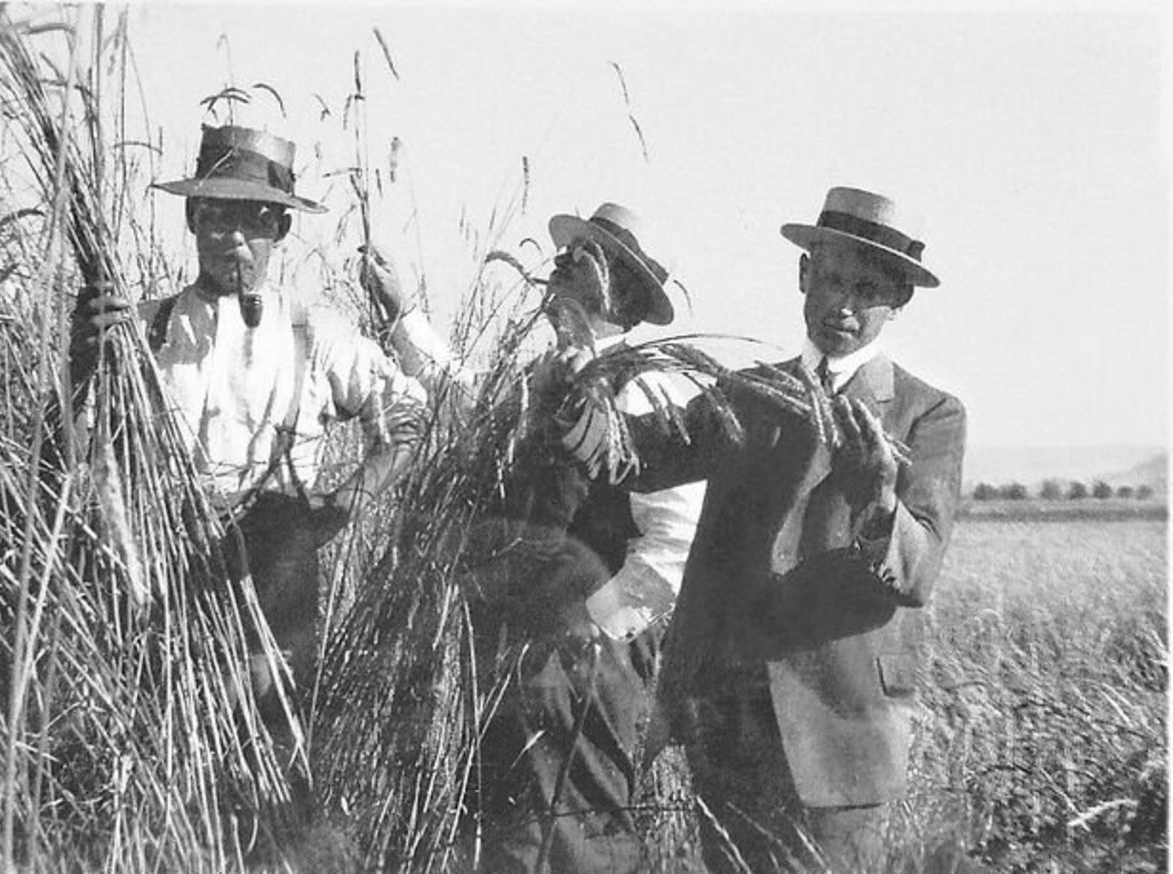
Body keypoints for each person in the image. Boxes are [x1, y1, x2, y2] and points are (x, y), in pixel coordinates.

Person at [610, 186, 966, 872]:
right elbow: (633, 456)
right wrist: (587, 370)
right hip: (729, 721)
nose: (845, 305)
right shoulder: (747, 394)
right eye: (831, 279)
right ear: (804, 274)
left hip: (842, 728)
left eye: (867, 290)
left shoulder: (930, 416)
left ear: (898, 304)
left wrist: (880, 501)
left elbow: (917, 572)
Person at [364, 202, 706, 872]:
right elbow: (472, 411)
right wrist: (404, 319)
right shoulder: (546, 376)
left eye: (577, 259)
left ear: (615, 287)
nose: (554, 268)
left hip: (586, 665)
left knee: (581, 836)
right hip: (515, 654)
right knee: (514, 835)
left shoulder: (645, 388)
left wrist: (594, 635)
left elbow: (674, 548)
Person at [68, 121, 428, 705]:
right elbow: (71, 454)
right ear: (192, 220)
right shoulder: (138, 331)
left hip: (273, 605)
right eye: (215, 214)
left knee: (267, 770)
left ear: (280, 229)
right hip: (161, 595)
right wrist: (79, 363)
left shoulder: (317, 335)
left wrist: (339, 509)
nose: (232, 236)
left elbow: (409, 415)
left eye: (255, 218)